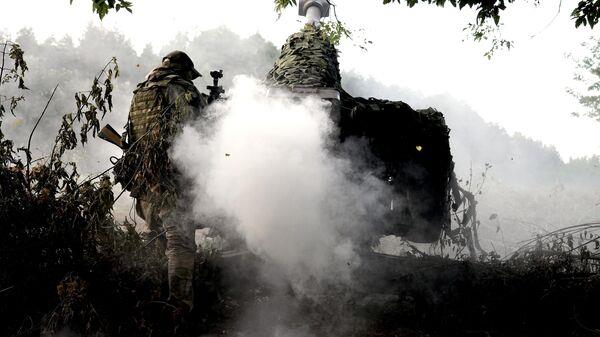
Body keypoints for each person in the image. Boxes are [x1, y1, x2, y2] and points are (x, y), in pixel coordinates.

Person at [119, 50, 208, 312]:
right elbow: (198, 134)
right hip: (172, 182)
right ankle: (178, 308)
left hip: (145, 180)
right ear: (184, 71)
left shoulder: (141, 92)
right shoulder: (183, 90)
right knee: (180, 244)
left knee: (157, 236)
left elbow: (134, 133)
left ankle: (149, 294)